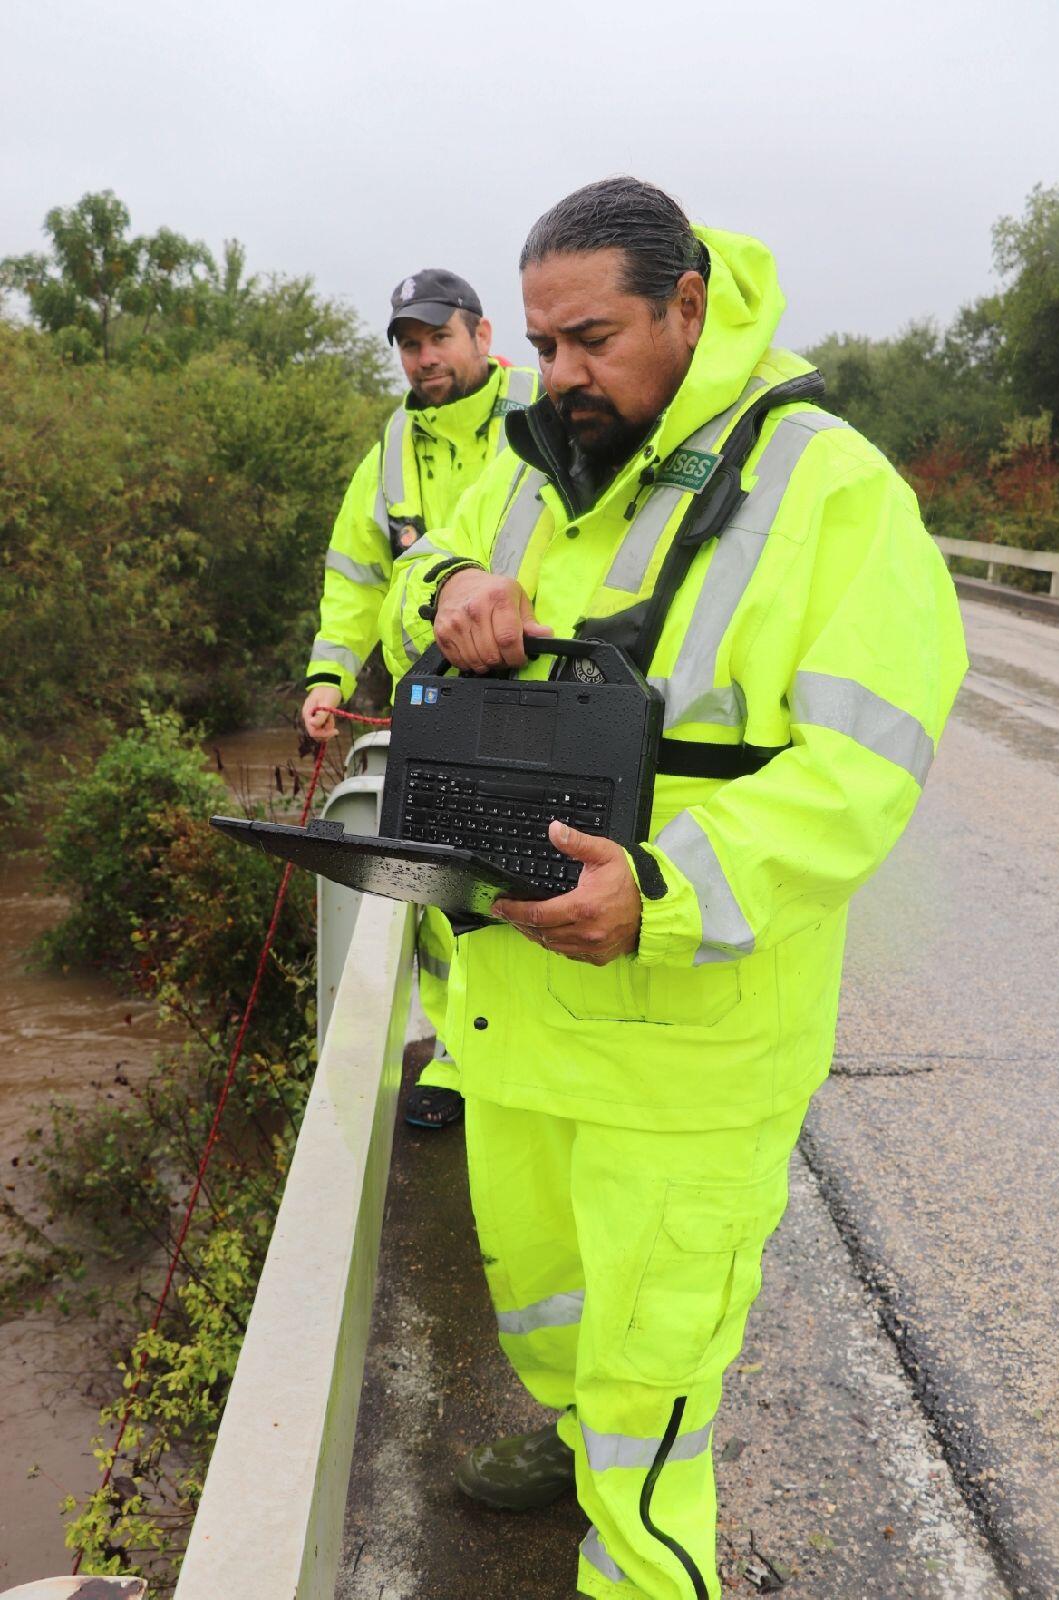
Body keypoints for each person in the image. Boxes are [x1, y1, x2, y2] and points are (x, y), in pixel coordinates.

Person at [378, 178, 968, 1599]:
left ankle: (639, 1561)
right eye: (540, 345)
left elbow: (864, 771)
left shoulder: (830, 488)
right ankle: (573, 1439)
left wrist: (664, 889)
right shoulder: (525, 462)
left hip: (688, 1046)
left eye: (590, 340)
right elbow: (411, 572)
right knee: (546, 1302)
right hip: (517, 1013)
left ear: (687, 307)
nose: (560, 376)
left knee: (657, 1379)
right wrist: (448, 582)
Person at [302, 268, 538, 1129]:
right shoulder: (391, 450)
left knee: (534, 869)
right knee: (444, 888)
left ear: (482, 335)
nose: (422, 356)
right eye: (408, 342)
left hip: (536, 698)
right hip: (431, 708)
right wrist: (328, 678)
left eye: (438, 336)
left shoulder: (547, 407)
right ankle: (455, 1056)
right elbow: (354, 578)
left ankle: (538, 1053)